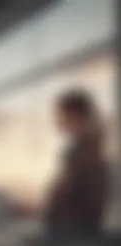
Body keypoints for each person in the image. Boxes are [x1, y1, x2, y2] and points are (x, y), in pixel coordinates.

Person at [45, 89, 109, 237]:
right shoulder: (86, 148)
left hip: (74, 230)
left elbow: (72, 194)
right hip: (74, 227)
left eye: (61, 115)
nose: (58, 120)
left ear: (76, 116)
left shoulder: (85, 152)